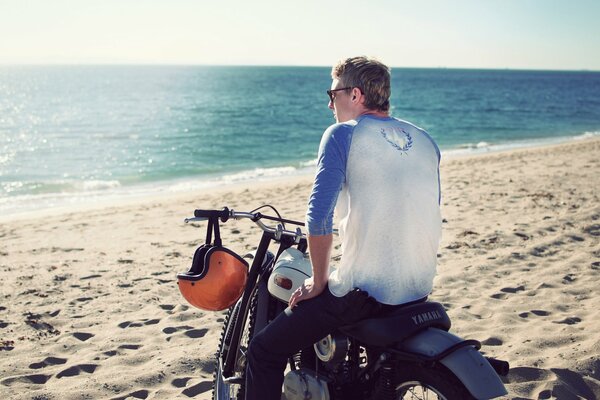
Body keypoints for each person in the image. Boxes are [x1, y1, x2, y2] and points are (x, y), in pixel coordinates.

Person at [245, 56, 442, 400]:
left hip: (366, 294)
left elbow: (318, 216)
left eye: (332, 93)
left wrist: (318, 281)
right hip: (419, 286)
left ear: (354, 94)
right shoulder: (424, 139)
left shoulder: (341, 134)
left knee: (264, 351)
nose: (329, 103)